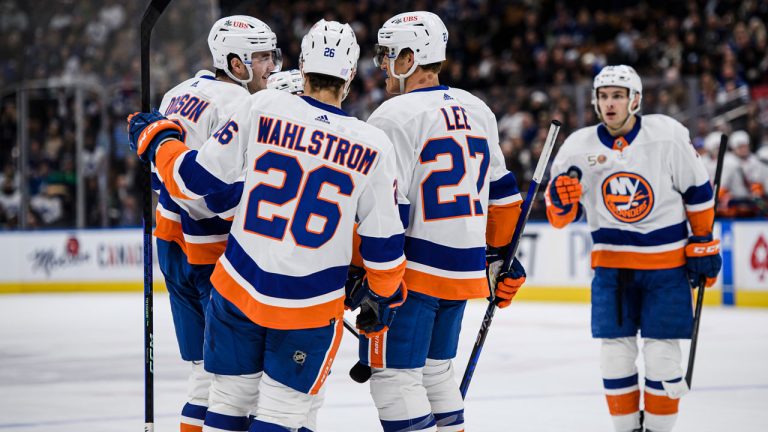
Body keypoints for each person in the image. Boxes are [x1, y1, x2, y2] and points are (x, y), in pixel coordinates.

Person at [129, 19, 407, 432]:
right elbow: (384, 248)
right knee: (284, 415)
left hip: (237, 290)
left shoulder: (259, 108)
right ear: (350, 76)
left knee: (224, 404)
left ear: (301, 66)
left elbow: (194, 182)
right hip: (309, 307)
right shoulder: (372, 144)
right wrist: (383, 297)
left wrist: (159, 140)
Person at [361, 11, 526, 431]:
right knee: (436, 374)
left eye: (388, 55)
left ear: (410, 57)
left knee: (394, 381)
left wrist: (368, 273)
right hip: (461, 272)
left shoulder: (392, 115)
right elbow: (505, 199)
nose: (382, 65)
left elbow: (387, 208)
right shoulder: (478, 108)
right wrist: (499, 259)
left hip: (409, 276)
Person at [544, 65, 722, 432]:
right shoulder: (578, 146)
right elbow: (559, 216)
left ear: (635, 100)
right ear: (595, 102)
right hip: (612, 270)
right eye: (604, 96)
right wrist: (561, 204)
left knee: (662, 358)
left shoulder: (667, 136)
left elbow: (698, 192)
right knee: (615, 357)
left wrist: (703, 241)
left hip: (668, 269)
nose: (610, 104)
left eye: (618, 96)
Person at [152, 15, 282, 432]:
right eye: (262, 57)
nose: (271, 67)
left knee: (203, 377)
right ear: (235, 62)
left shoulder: (177, 92)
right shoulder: (240, 104)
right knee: (235, 383)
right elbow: (224, 194)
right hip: (212, 253)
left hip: (169, 242)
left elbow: (164, 168)